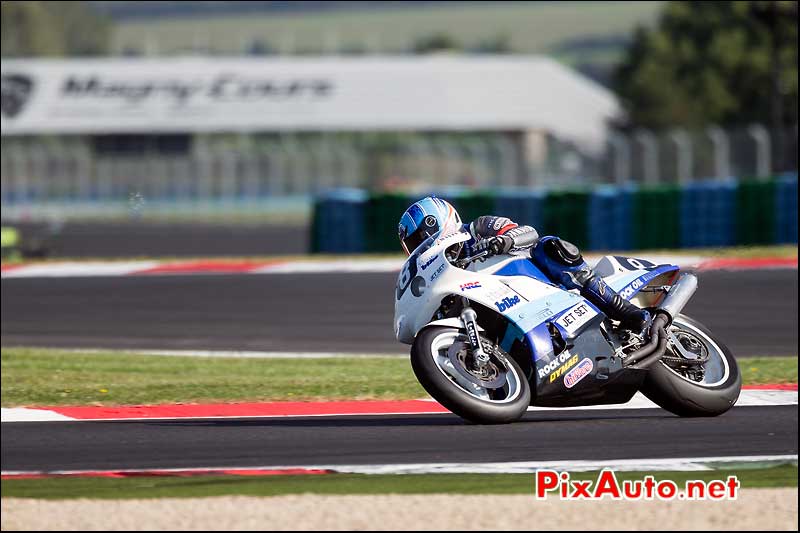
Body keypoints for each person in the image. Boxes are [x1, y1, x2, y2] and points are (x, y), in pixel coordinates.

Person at [397, 196, 651, 336]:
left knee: (550, 247)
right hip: (503, 305)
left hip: (535, 282)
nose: (420, 244)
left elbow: (527, 232)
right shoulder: (441, 267)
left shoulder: (477, 228)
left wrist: (503, 241)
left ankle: (624, 310)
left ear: (438, 220)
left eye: (421, 236)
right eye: (414, 242)